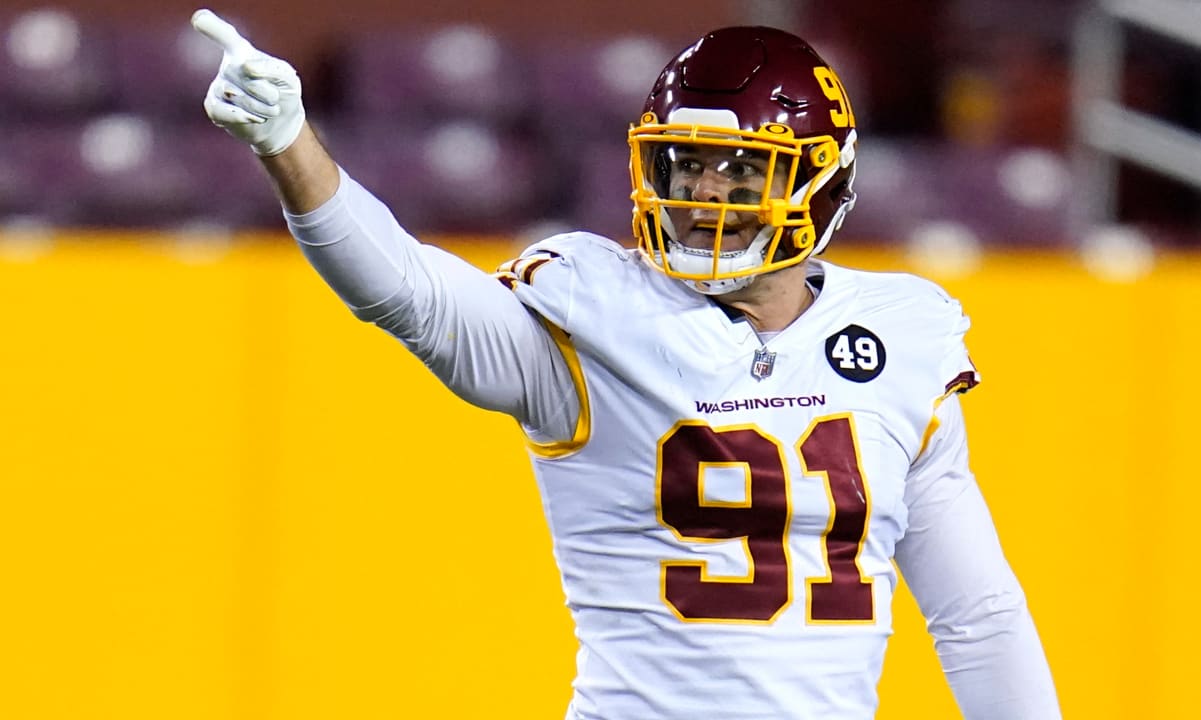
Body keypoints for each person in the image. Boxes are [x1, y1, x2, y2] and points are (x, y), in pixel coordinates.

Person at [191, 8, 1061, 719]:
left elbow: (976, 616)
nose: (703, 195)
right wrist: (289, 142)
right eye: (686, 164)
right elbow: (408, 295)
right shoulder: (595, 318)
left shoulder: (900, 337)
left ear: (821, 183)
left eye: (739, 171)